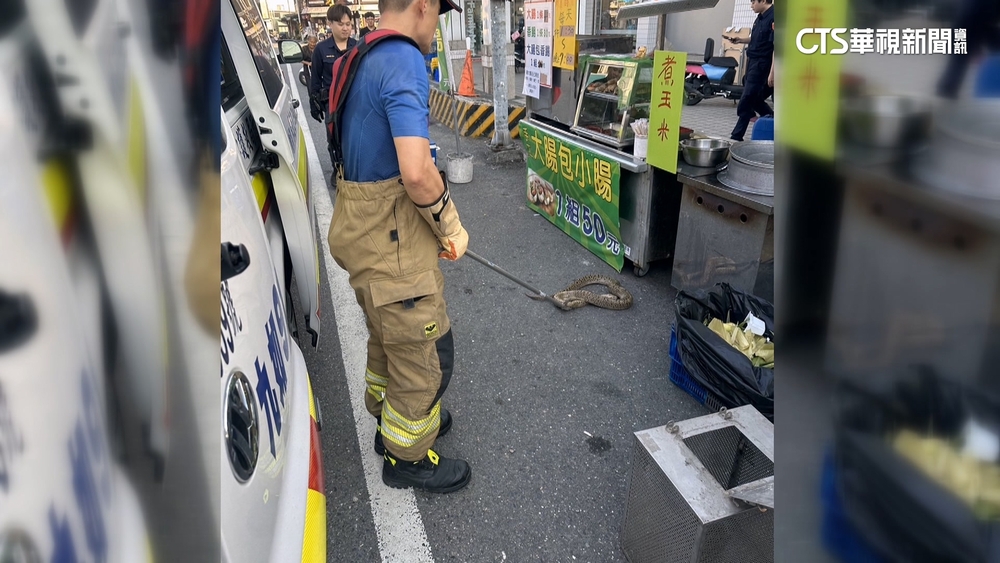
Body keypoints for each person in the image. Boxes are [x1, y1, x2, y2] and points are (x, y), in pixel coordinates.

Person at [327, 0, 471, 493]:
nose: (437, 25)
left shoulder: (361, 53)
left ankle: (391, 424)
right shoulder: (404, 57)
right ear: (422, 6)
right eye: (439, 14)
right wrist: (451, 227)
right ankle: (406, 459)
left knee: (388, 340)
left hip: (360, 227)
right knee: (427, 351)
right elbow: (416, 171)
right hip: (390, 238)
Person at [724, 0, 774, 142]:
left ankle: (743, 124)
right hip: (752, 61)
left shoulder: (774, 17)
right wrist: (740, 40)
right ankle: (738, 135)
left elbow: (776, 46)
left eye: (753, 2)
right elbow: (756, 38)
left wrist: (772, 72)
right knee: (754, 99)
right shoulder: (760, 17)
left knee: (747, 98)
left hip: (762, 64)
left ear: (762, 1)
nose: (751, 6)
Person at [309, 5, 358, 122]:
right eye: (341, 24)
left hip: (355, 103)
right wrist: (314, 102)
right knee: (334, 133)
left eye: (348, 24)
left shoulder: (358, 46)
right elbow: (315, 79)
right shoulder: (321, 49)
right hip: (332, 104)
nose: (345, 28)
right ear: (330, 24)